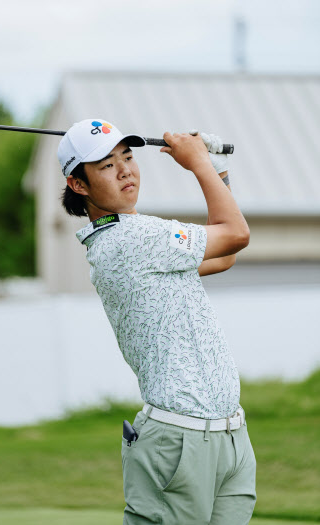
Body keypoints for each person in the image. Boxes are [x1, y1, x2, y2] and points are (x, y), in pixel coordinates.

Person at [57, 118, 257, 525]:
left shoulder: (142, 241)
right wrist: (199, 163)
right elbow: (235, 233)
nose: (126, 169)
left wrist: (216, 167)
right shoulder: (131, 239)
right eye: (106, 165)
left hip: (229, 434)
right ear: (79, 185)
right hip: (179, 443)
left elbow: (224, 256)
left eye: (127, 156)